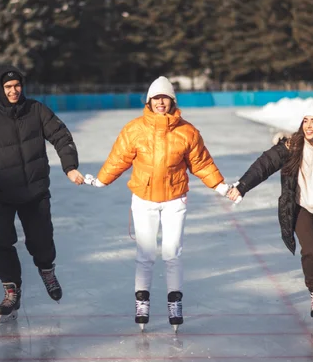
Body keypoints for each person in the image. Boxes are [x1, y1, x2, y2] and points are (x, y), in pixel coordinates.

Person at [84, 76, 231, 331]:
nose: (160, 102)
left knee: (172, 253)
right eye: (156, 98)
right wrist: (101, 181)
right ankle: (142, 301)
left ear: (172, 101)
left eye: (165, 97)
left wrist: (221, 186)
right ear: (149, 101)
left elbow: (202, 164)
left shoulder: (187, 131)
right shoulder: (134, 130)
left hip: (175, 200)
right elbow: (118, 158)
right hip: (144, 199)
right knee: (146, 254)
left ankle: (175, 301)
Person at [227, 98, 313, 321]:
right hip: (302, 210)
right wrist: (242, 186)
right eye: (305, 121)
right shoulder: (291, 147)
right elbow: (264, 165)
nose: (308, 126)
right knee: (310, 251)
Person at [0, 65, 84, 322]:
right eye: (8, 87)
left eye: (17, 85)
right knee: (0, 242)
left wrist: (70, 167)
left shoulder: (36, 110)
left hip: (35, 191)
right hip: (2, 193)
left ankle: (47, 270)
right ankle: (11, 291)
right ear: (0, 89)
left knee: (41, 240)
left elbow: (61, 136)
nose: (13, 90)